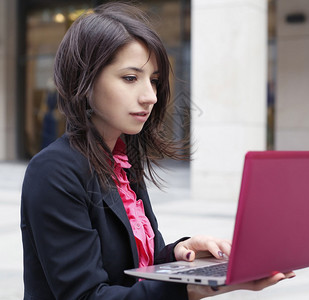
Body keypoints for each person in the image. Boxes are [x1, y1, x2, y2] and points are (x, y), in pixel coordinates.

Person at [20, 3, 294, 300]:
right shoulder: (54, 171)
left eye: (153, 80)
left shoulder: (122, 161)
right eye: (130, 78)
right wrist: (193, 288)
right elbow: (87, 296)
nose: (150, 96)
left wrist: (180, 252)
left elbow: (132, 271)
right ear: (84, 81)